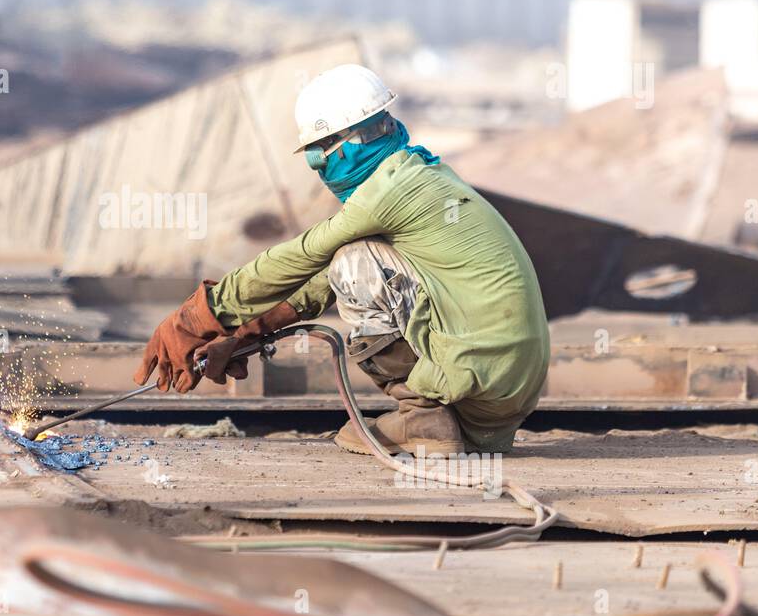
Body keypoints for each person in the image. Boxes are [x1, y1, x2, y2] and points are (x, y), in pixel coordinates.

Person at [134, 64, 550, 456]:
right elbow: (320, 279)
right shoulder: (418, 175)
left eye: (318, 153)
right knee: (349, 261)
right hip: (504, 390)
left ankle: (422, 415)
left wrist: (199, 316)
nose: (318, 166)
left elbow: (305, 254)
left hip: (483, 377)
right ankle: (439, 422)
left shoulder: (393, 191)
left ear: (351, 141)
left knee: (353, 263)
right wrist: (246, 332)